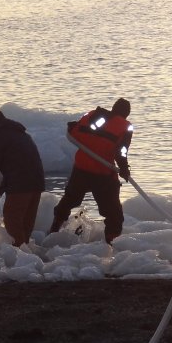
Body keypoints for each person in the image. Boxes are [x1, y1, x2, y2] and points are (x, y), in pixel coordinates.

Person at [49, 98, 133, 244]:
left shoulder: (94, 115)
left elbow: (75, 132)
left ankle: (54, 228)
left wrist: (73, 126)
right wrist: (124, 169)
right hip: (103, 173)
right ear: (126, 114)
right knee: (113, 212)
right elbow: (122, 152)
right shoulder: (125, 127)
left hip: (81, 168)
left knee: (70, 199)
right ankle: (111, 242)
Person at [0, 109, 45, 247]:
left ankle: (20, 253)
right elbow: (18, 162)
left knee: (12, 217)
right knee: (26, 219)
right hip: (37, 181)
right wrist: (3, 185)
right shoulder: (22, 134)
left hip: (20, 183)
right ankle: (26, 249)